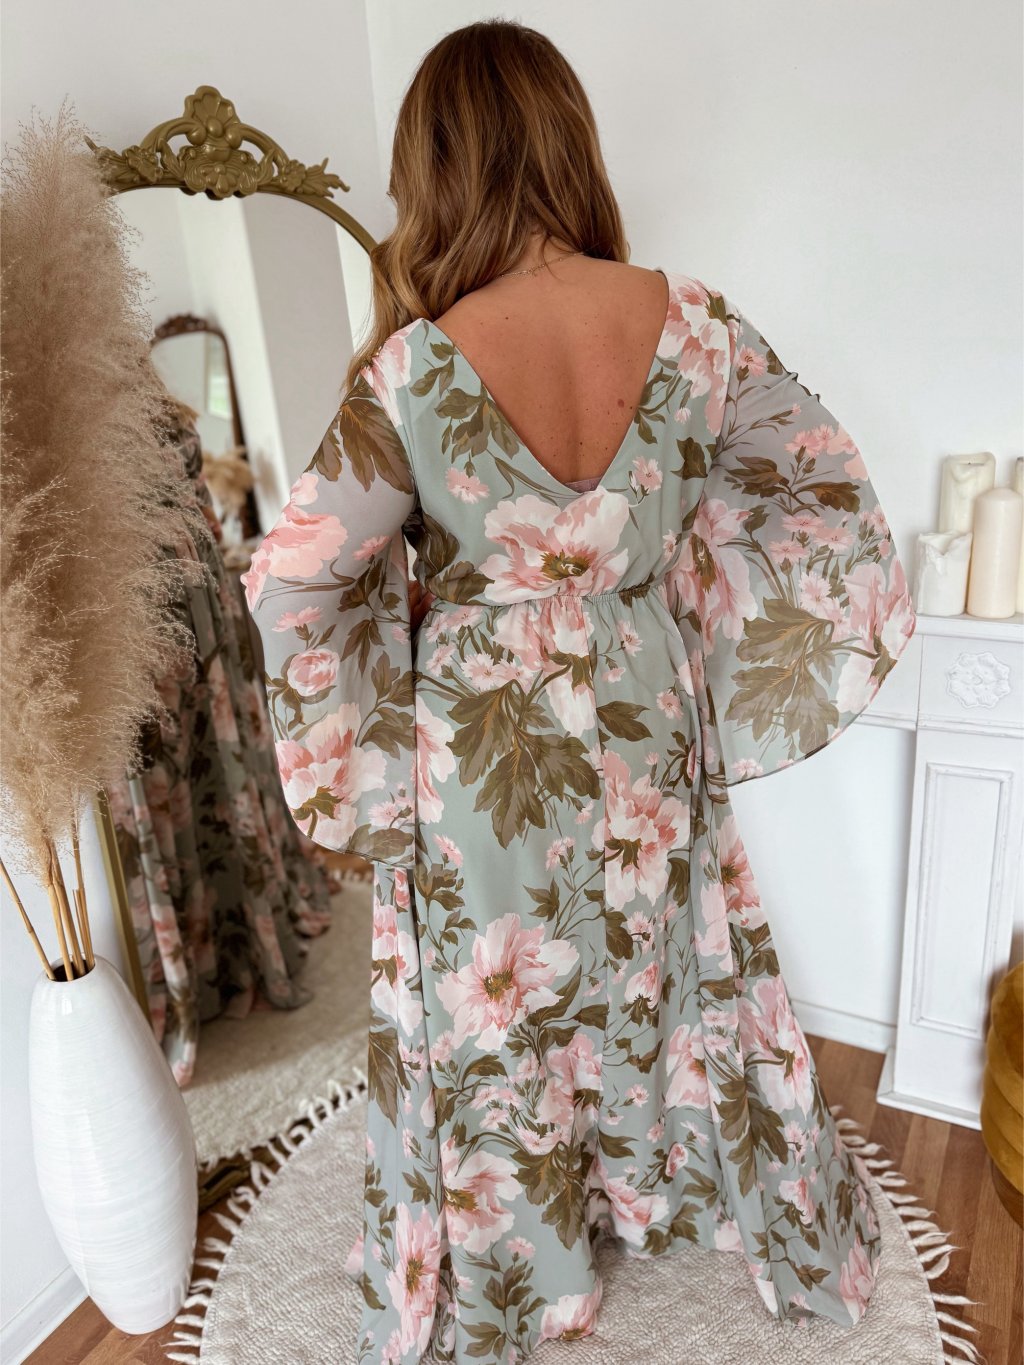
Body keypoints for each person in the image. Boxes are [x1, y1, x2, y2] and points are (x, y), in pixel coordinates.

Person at [242, 18, 917, 1364]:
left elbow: (293, 577)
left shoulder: (413, 368)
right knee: (652, 958)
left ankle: (540, 1281)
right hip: (645, 709)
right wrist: (693, 612)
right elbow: (816, 488)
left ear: (436, 170)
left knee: (500, 1006)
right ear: (569, 145)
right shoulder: (694, 323)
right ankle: (658, 1185)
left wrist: (387, 683)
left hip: (481, 745)